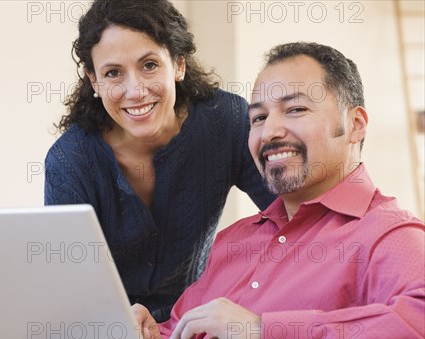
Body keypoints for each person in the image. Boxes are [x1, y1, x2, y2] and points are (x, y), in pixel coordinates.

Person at [134, 42, 425, 339]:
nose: (269, 131)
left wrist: (264, 332)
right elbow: (183, 330)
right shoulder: (235, 241)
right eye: (258, 117)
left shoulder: (389, 232)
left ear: (354, 125)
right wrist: (151, 334)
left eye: (296, 109)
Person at [44, 0, 275, 322]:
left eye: (149, 65)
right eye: (113, 73)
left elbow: (293, 219)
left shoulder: (227, 121)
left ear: (178, 64)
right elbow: (70, 284)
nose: (135, 90)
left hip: (197, 322)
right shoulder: (70, 160)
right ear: (93, 81)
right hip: (107, 330)